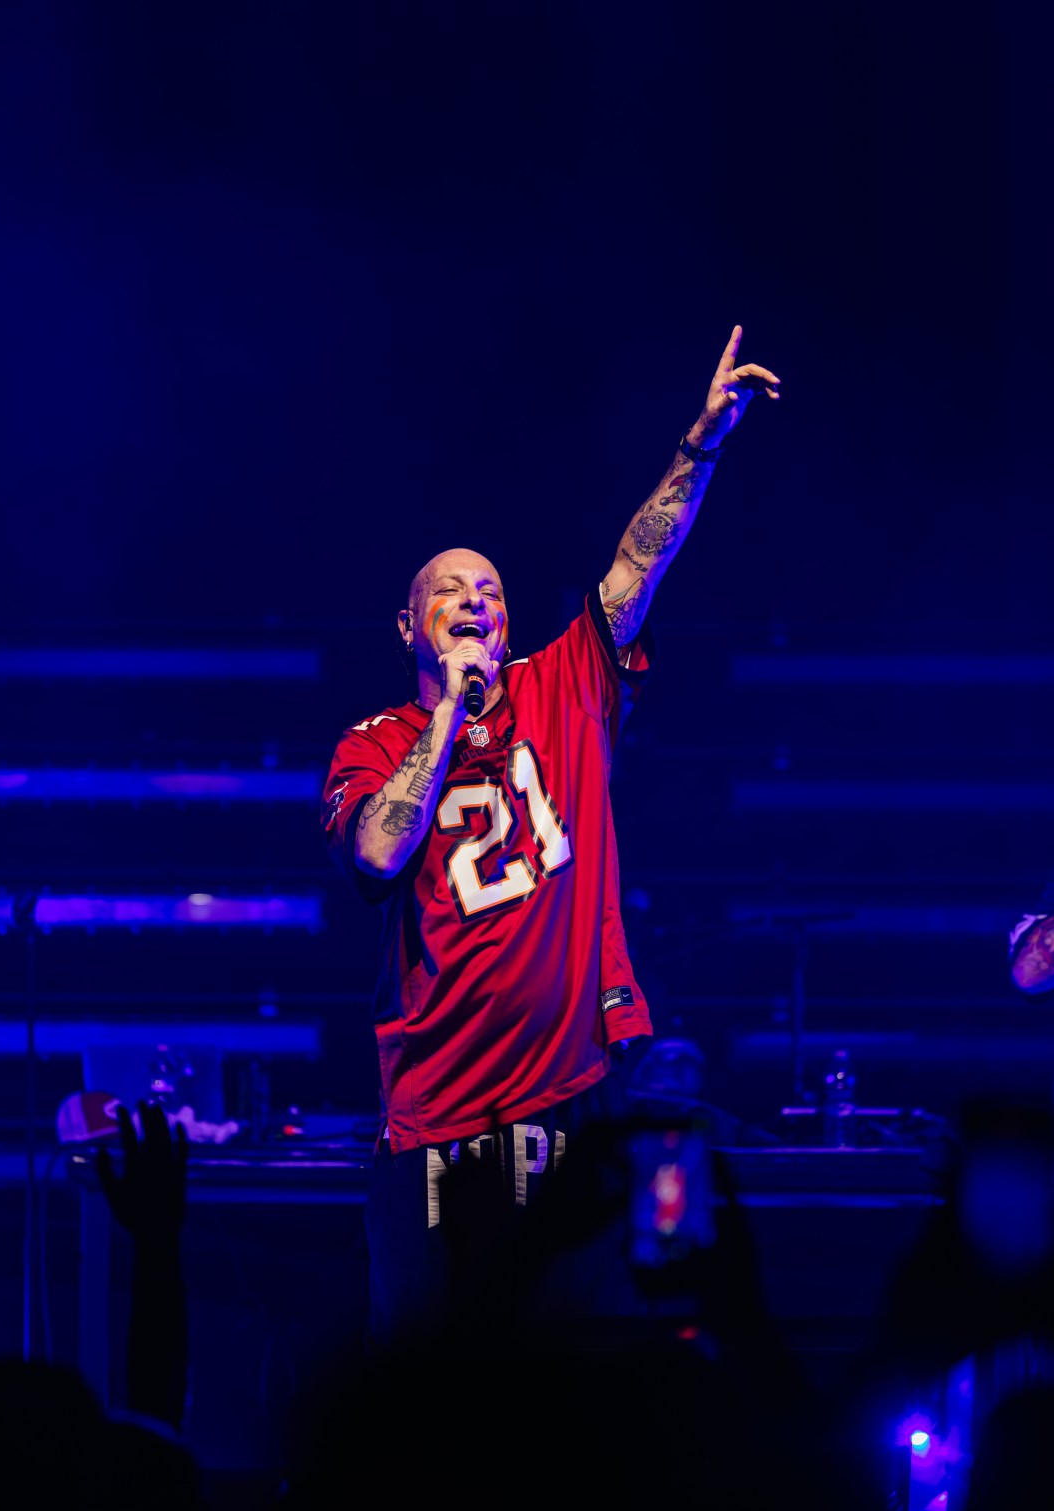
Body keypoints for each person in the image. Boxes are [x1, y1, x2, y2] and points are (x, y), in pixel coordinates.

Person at [321, 325, 781, 1351]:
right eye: (451, 591)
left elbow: (639, 562)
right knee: (434, 1382)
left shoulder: (564, 682)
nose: (475, 601)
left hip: (566, 1092)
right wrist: (448, 712)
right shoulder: (375, 743)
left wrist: (701, 442)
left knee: (577, 1373)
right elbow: (377, 855)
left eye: (489, 591)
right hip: (434, 1115)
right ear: (409, 626)